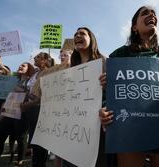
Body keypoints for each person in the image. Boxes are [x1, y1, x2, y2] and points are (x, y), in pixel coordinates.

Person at [99, 6, 159, 167]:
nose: (152, 15)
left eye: (154, 13)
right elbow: (108, 94)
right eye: (145, 13)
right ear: (134, 27)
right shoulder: (119, 55)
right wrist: (104, 108)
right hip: (130, 129)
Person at [54, 27, 107, 167]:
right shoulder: (69, 69)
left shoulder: (105, 62)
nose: (77, 36)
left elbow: (114, 94)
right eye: (75, 34)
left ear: (91, 39)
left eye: (82, 34)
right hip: (72, 127)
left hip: (97, 127)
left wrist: (108, 85)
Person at [0, 62, 35, 167]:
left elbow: (33, 95)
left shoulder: (31, 81)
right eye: (20, 65)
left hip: (23, 112)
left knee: (21, 138)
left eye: (23, 66)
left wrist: (23, 90)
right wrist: (2, 112)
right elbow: (7, 75)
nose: (20, 66)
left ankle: (20, 160)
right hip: (9, 111)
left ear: (29, 69)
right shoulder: (14, 80)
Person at [20, 52, 55, 167]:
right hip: (30, 109)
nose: (34, 58)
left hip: (41, 109)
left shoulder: (50, 72)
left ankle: (40, 163)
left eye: (38, 57)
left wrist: (32, 103)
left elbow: (47, 94)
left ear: (45, 60)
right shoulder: (35, 74)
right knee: (33, 139)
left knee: (40, 140)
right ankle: (36, 162)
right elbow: (30, 90)